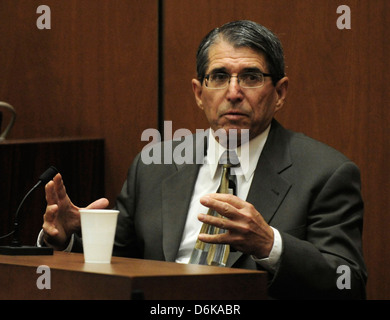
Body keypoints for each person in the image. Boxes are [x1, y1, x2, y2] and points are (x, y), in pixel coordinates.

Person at [39, 20, 367, 299]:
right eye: (220, 76)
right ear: (199, 93)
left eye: (251, 77)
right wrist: (69, 239)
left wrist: (271, 245)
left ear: (279, 93)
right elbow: (120, 260)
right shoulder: (155, 163)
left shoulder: (326, 173)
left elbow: (348, 283)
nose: (234, 92)